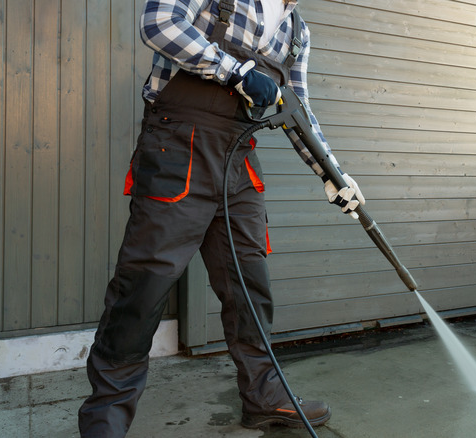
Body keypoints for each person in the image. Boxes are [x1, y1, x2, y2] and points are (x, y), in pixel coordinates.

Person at [77, 0, 365, 436]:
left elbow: (297, 108)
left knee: (249, 283)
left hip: (239, 159)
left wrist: (334, 174)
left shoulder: (297, 30)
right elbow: (159, 23)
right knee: (144, 282)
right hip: (179, 145)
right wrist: (236, 72)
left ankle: (264, 395)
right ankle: (106, 417)